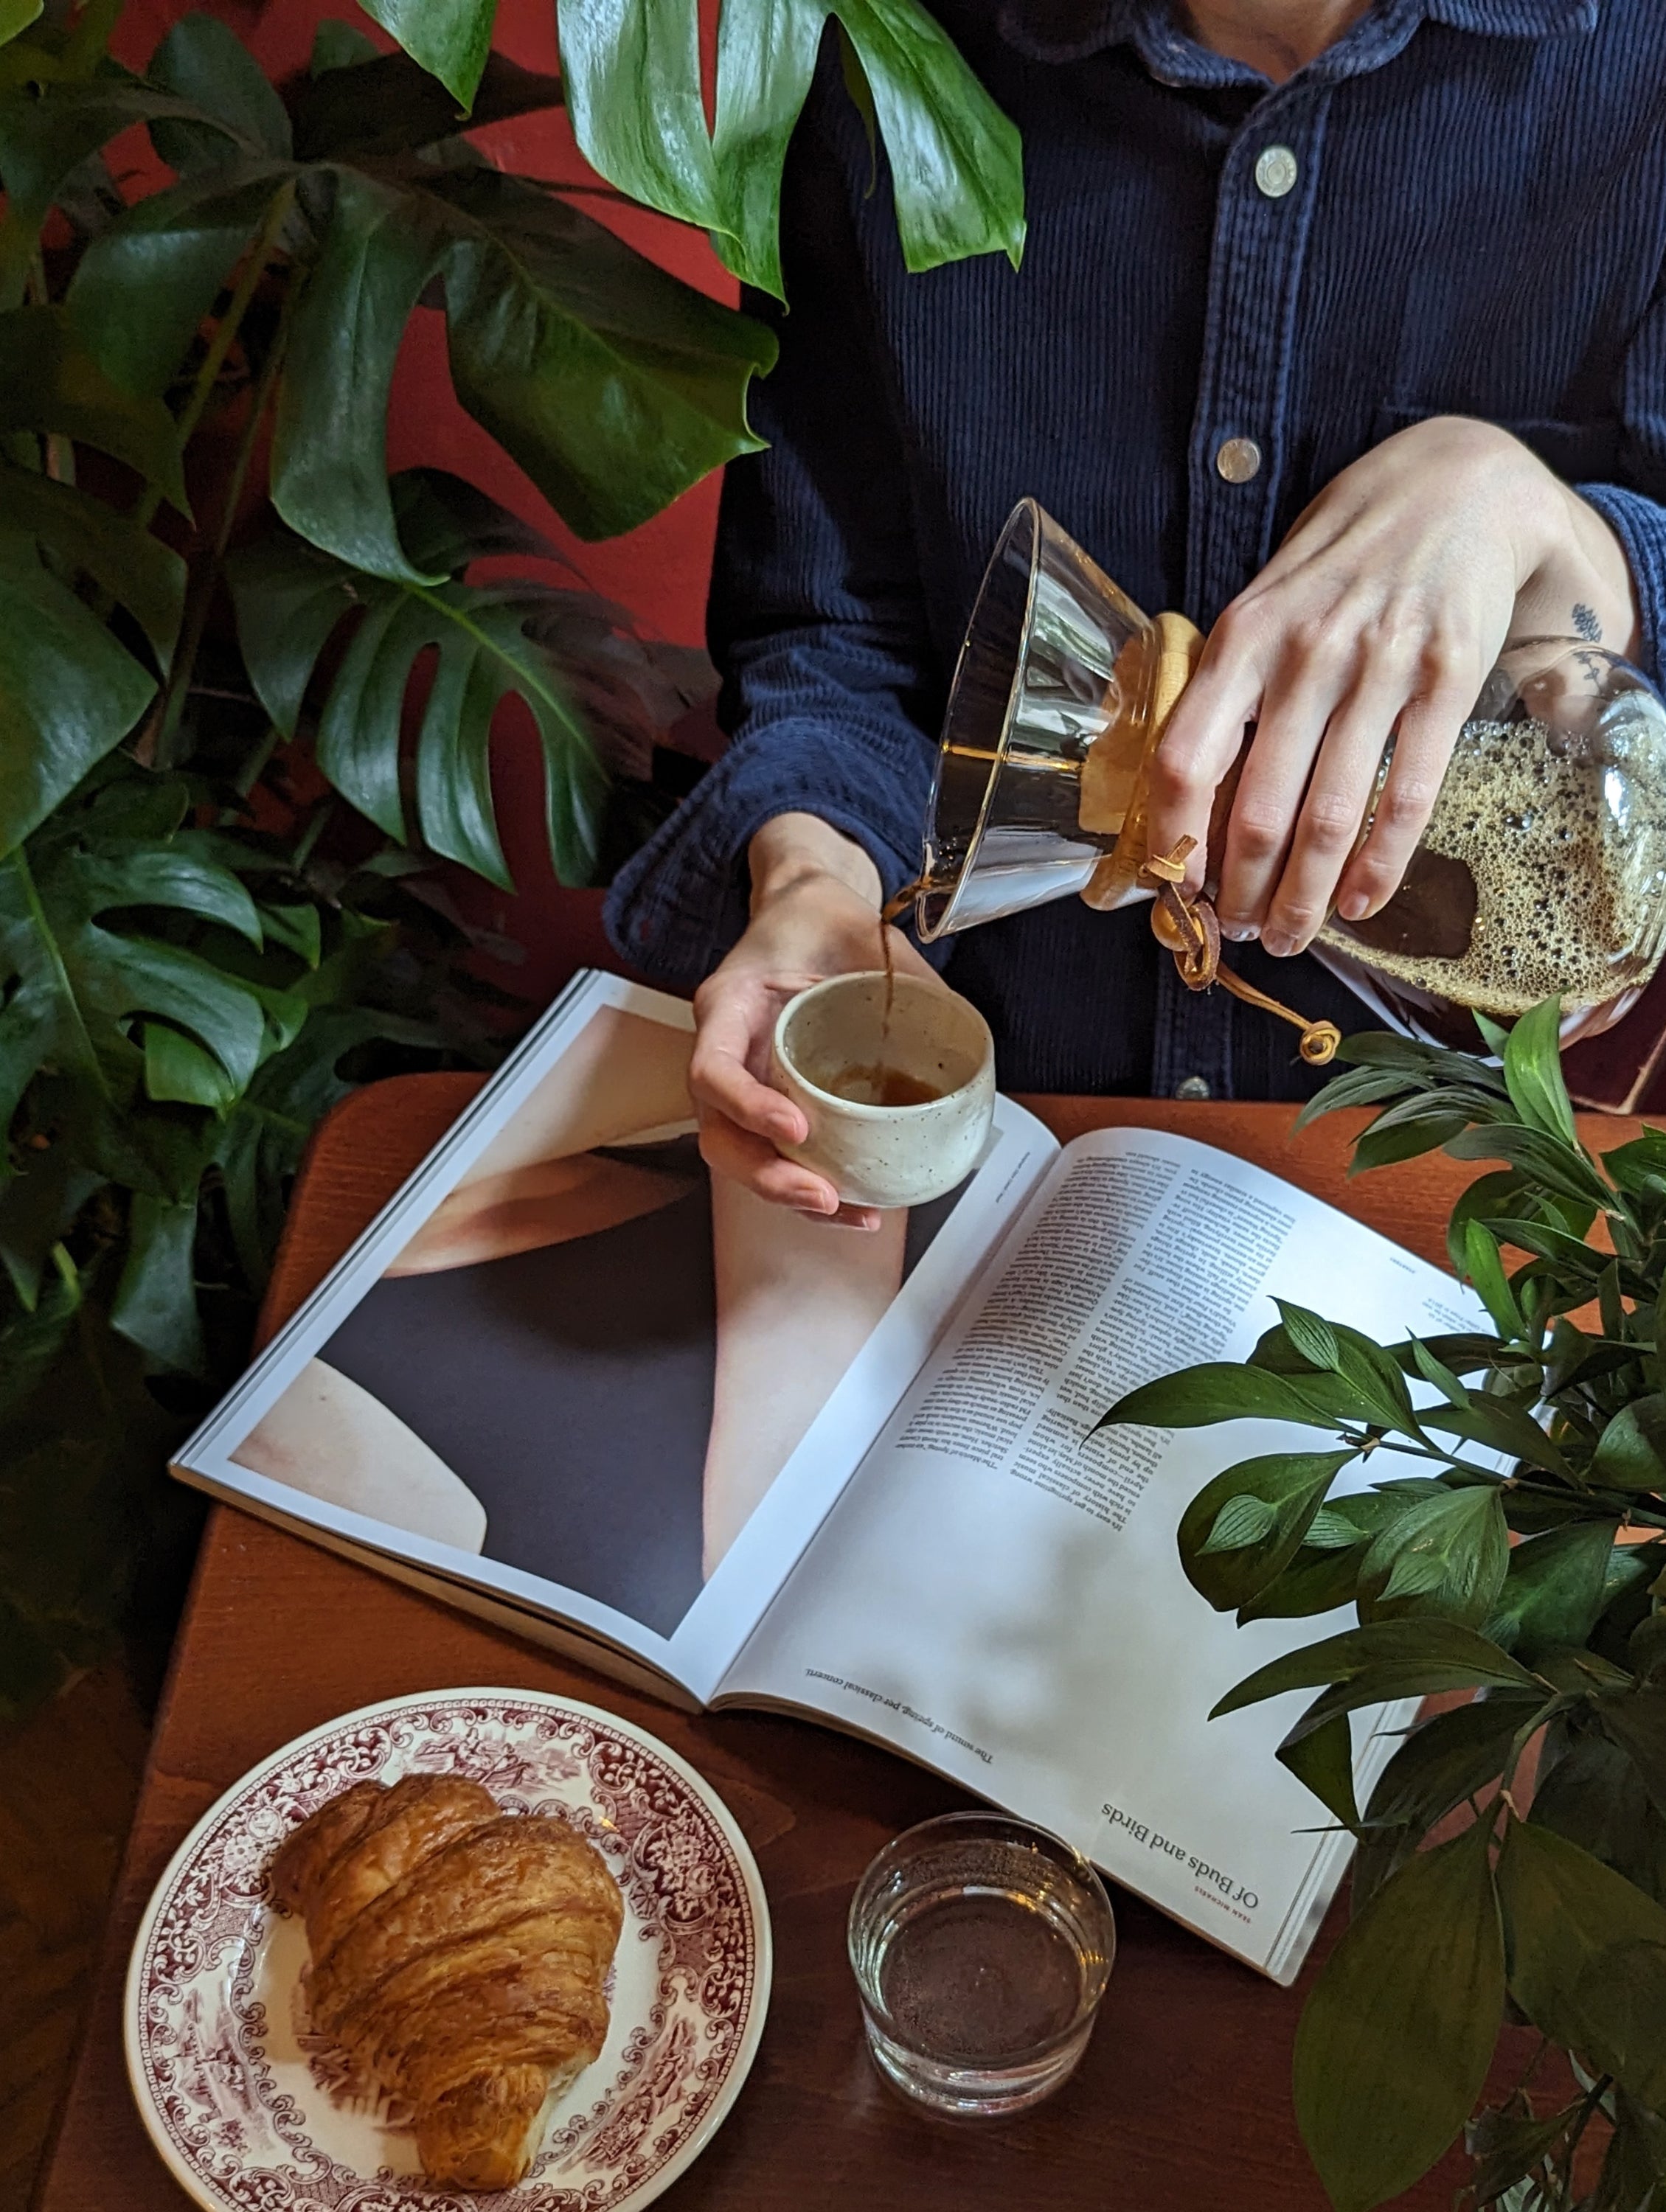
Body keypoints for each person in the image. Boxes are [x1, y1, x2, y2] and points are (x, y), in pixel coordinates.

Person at [605, 0, 1665, 1230]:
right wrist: (817, 876)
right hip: (1004, 1143)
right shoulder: (891, 48)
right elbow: (843, 634)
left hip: (1447, 1191)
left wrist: (1546, 523)